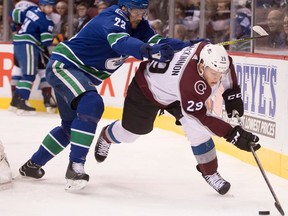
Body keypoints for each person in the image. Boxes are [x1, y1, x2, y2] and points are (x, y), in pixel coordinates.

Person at [18, 0, 208, 191]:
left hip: (77, 73)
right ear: (124, 8)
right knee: (92, 103)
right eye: (137, 10)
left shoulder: (139, 24)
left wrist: (187, 46)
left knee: (69, 128)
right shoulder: (111, 18)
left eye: (144, 10)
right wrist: (149, 52)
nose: (141, 14)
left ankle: (32, 165)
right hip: (66, 66)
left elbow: (157, 41)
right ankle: (75, 167)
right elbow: (122, 43)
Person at [94, 42, 261, 195]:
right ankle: (106, 136)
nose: (217, 78)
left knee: (197, 131)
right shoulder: (189, 82)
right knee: (131, 133)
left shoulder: (214, 57)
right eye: (213, 73)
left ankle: (210, 172)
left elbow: (227, 67)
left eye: (220, 74)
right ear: (201, 65)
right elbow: (201, 117)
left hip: (173, 92)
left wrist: (232, 94)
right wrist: (232, 134)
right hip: (147, 90)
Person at [10, 0, 55, 115]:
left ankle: (15, 101)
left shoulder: (31, 10)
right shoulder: (46, 21)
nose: (50, 9)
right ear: (42, 6)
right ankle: (23, 102)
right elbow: (46, 42)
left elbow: (15, 15)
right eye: (48, 6)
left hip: (18, 42)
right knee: (29, 75)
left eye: (51, 6)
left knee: (21, 72)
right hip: (28, 44)